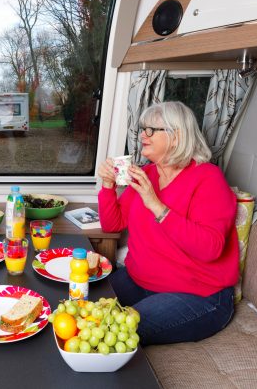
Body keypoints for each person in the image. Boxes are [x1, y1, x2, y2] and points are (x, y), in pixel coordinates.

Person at [97, 101, 239, 345]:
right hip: (138, 281)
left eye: (151, 129)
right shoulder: (148, 173)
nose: (143, 134)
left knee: (111, 334)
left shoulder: (208, 178)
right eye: (143, 128)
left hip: (198, 295)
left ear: (177, 137)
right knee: (83, 305)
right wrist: (108, 186)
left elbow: (210, 248)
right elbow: (113, 225)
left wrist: (156, 206)